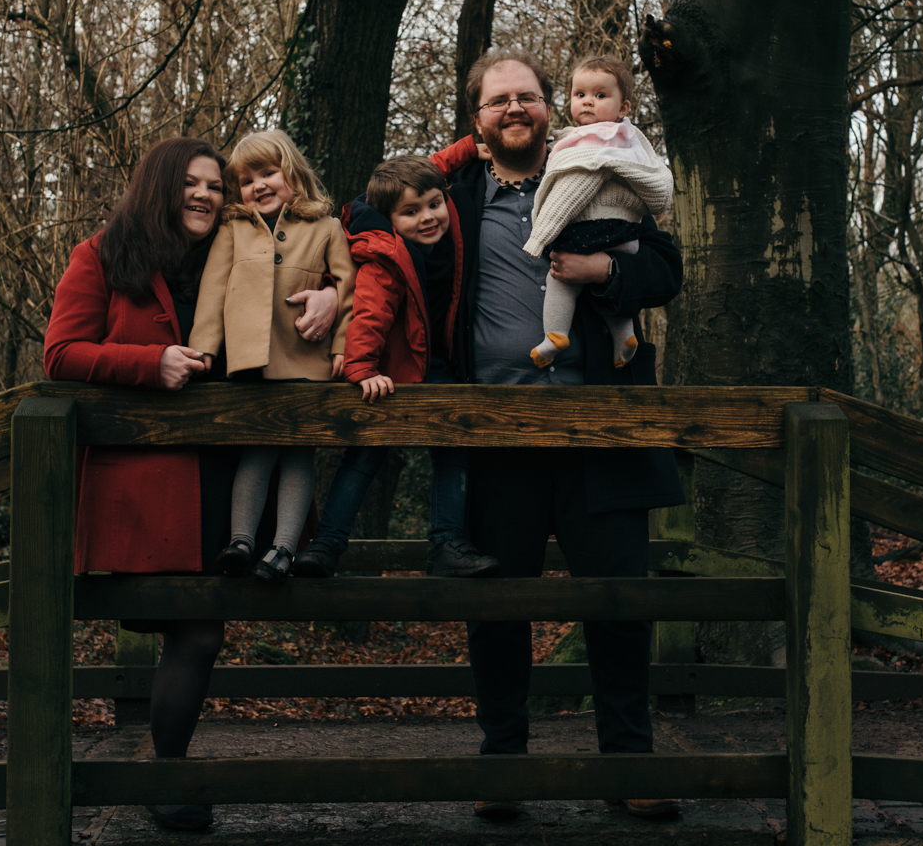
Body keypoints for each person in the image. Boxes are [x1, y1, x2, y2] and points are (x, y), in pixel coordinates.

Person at [43, 136, 339, 833]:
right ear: (160, 187)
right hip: (145, 482)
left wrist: (331, 293)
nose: (207, 196)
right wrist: (150, 363)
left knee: (204, 628)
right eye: (193, 185)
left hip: (229, 467)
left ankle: (165, 769)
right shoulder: (103, 255)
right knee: (197, 631)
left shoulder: (235, 242)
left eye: (216, 186)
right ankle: (167, 776)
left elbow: (320, 247)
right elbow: (61, 351)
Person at [439, 50, 686, 822]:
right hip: (498, 436)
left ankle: (630, 762)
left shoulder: (595, 165)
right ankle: (503, 764)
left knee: (618, 603)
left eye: (528, 97)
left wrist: (605, 272)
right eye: (497, 101)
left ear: (550, 108)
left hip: (601, 431)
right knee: (500, 608)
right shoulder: (449, 200)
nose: (516, 109)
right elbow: (366, 219)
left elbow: (666, 268)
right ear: (476, 118)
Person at [291, 156, 500, 580]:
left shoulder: (449, 232)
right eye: (410, 212)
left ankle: (447, 542)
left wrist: (469, 148)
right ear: (389, 219)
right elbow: (369, 314)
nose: (427, 217)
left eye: (433, 204)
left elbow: (434, 165)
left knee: (453, 448)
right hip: (390, 371)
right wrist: (363, 368)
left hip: (435, 363)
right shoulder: (386, 257)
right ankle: (326, 544)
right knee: (366, 455)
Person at [190, 129, 356, 583]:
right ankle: (241, 541)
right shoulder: (233, 228)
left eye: (268, 173)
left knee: (299, 457)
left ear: (293, 173)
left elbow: (348, 290)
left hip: (306, 363)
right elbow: (213, 291)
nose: (258, 185)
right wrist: (204, 349)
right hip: (251, 365)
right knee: (257, 454)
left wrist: (343, 347)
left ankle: (283, 549)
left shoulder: (325, 227)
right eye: (246, 180)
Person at [523, 55, 673, 369]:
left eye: (600, 95)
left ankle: (555, 335)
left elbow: (572, 189)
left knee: (561, 280)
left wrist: (541, 236)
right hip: (623, 236)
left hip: (589, 231)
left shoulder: (593, 143)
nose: (588, 102)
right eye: (580, 95)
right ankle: (625, 337)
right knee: (600, 292)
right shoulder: (628, 143)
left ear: (624, 108)